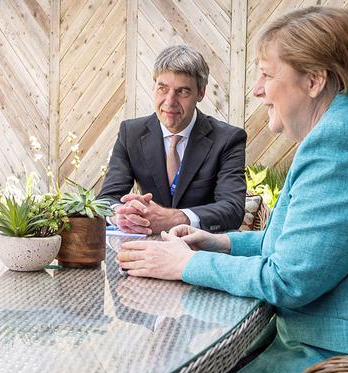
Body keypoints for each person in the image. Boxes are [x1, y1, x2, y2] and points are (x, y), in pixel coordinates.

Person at [117, 6, 348, 373]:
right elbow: (290, 245)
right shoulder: (344, 128)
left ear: (314, 80)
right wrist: (218, 242)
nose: (257, 89)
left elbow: (290, 279)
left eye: (267, 73)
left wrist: (188, 263)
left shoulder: (342, 141)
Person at [98, 45, 246, 235]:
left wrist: (174, 218)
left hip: (201, 250)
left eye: (182, 91)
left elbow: (232, 209)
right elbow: (106, 199)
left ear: (201, 93)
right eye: (162, 88)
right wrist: (121, 214)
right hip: (146, 247)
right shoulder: (131, 133)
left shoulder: (227, 139)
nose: (169, 101)